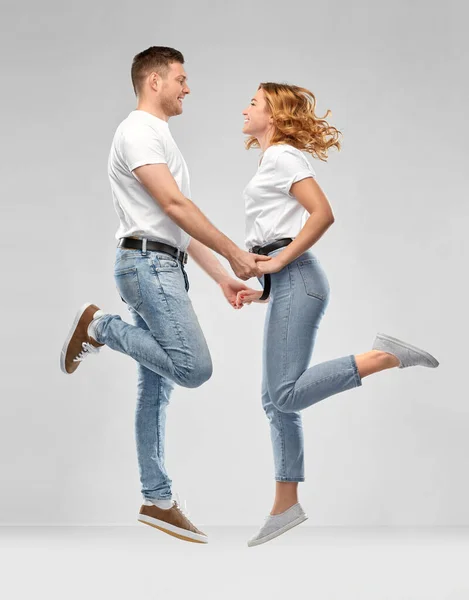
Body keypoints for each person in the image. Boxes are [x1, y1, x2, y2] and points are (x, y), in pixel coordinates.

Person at [59, 46, 268, 545]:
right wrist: (237, 253)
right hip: (148, 265)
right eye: (181, 78)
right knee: (194, 367)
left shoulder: (157, 136)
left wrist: (221, 276)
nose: (187, 87)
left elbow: (178, 223)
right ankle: (100, 326)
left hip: (159, 261)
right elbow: (174, 204)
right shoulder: (137, 131)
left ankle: (157, 499)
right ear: (154, 81)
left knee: (157, 386)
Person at [235, 83, 440, 547]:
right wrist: (265, 289)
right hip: (288, 283)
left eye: (252, 102)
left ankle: (383, 357)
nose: (244, 108)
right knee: (275, 400)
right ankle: (285, 504)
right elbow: (276, 234)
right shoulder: (272, 160)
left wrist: (282, 263)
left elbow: (322, 214)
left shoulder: (284, 156)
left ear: (273, 113)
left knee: (283, 395)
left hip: (299, 277)